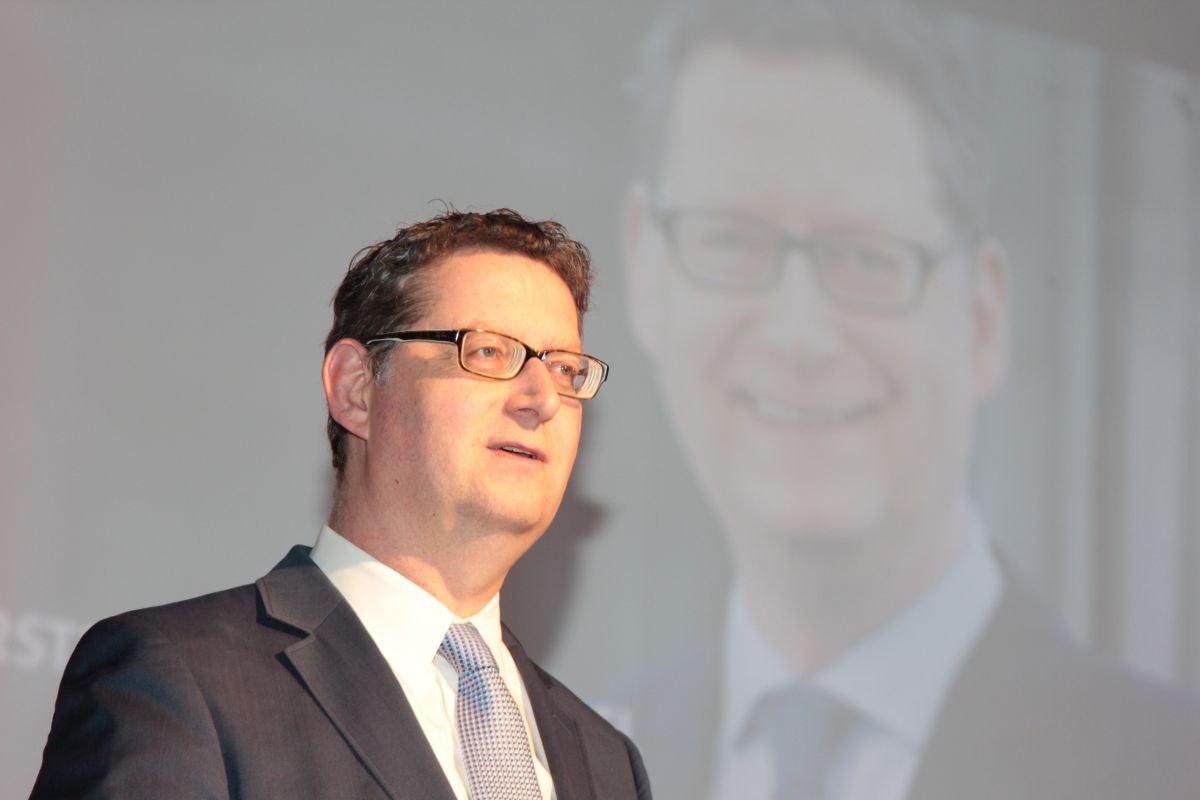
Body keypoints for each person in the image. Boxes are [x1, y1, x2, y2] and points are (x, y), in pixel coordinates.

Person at [620, 1, 1200, 798]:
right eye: (731, 240)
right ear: (646, 270)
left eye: (867, 256)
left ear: (983, 317)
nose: (798, 335)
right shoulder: (580, 758)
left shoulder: (1170, 770)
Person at [31, 208, 652, 799]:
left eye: (565, 369)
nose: (542, 398)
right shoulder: (178, 680)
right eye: (488, 351)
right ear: (357, 389)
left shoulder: (608, 763)